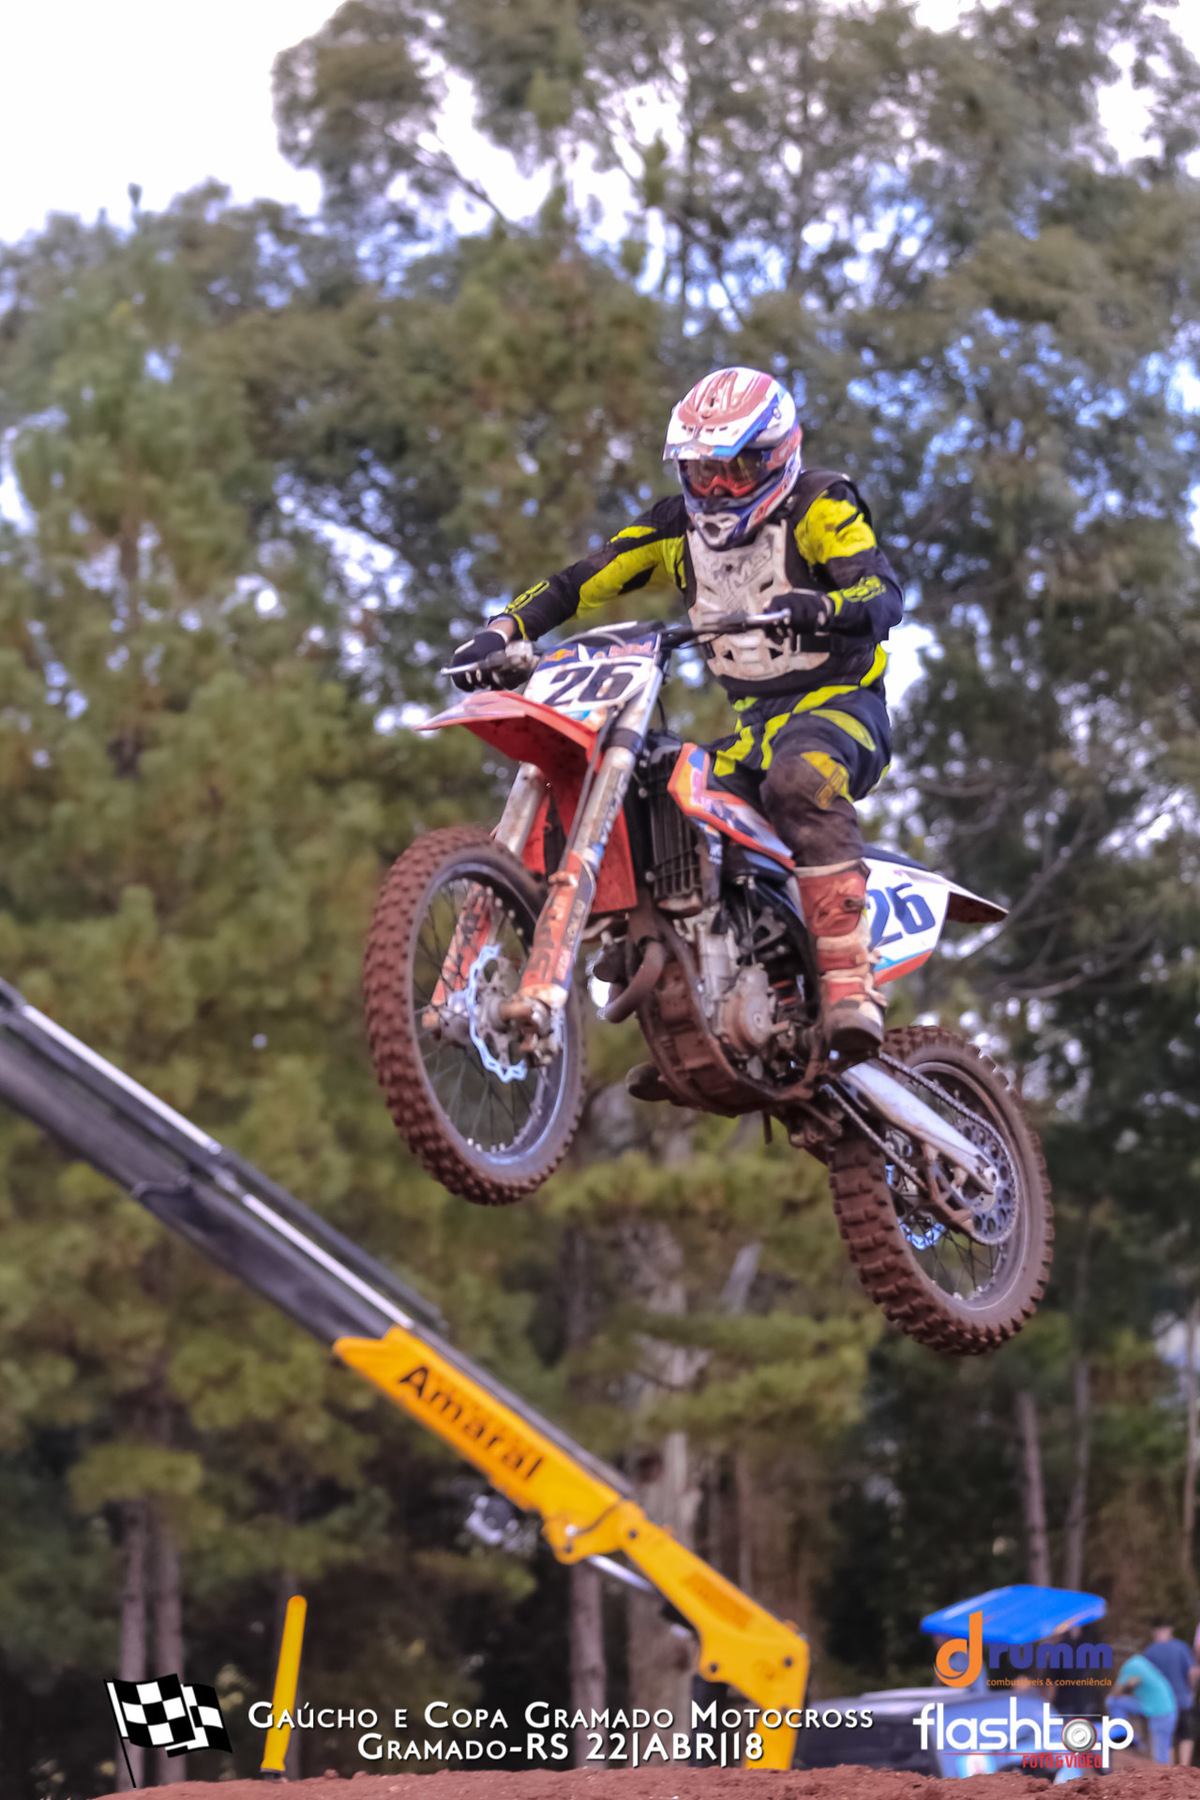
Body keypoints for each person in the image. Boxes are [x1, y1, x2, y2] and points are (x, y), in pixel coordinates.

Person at [450, 366, 904, 1061]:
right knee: (658, 794)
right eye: (701, 471)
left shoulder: (820, 505)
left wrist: (823, 606)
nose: (716, 489)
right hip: (754, 729)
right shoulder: (674, 528)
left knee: (799, 781)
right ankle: (678, 978)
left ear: (779, 456)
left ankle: (849, 983)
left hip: (841, 707)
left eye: (737, 469)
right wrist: (504, 628)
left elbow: (881, 592)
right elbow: (581, 581)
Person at [1107, 1648, 1178, 1765]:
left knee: (1160, 1757)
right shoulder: (1140, 1661)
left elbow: (1114, 1693)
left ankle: (1124, 1737)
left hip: (1159, 1712)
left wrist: (1125, 1685)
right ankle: (1129, 1737)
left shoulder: (1129, 1667)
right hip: (1166, 1708)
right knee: (1164, 1750)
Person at [1142, 1618, 1197, 1765]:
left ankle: (1170, 1770)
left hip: (1162, 1704)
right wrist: (1191, 1691)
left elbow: (1144, 1678)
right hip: (1183, 1699)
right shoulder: (1181, 1647)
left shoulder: (1150, 1651)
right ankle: (1185, 1768)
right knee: (1186, 1735)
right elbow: (1192, 1673)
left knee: (1167, 1738)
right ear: (1170, 1630)